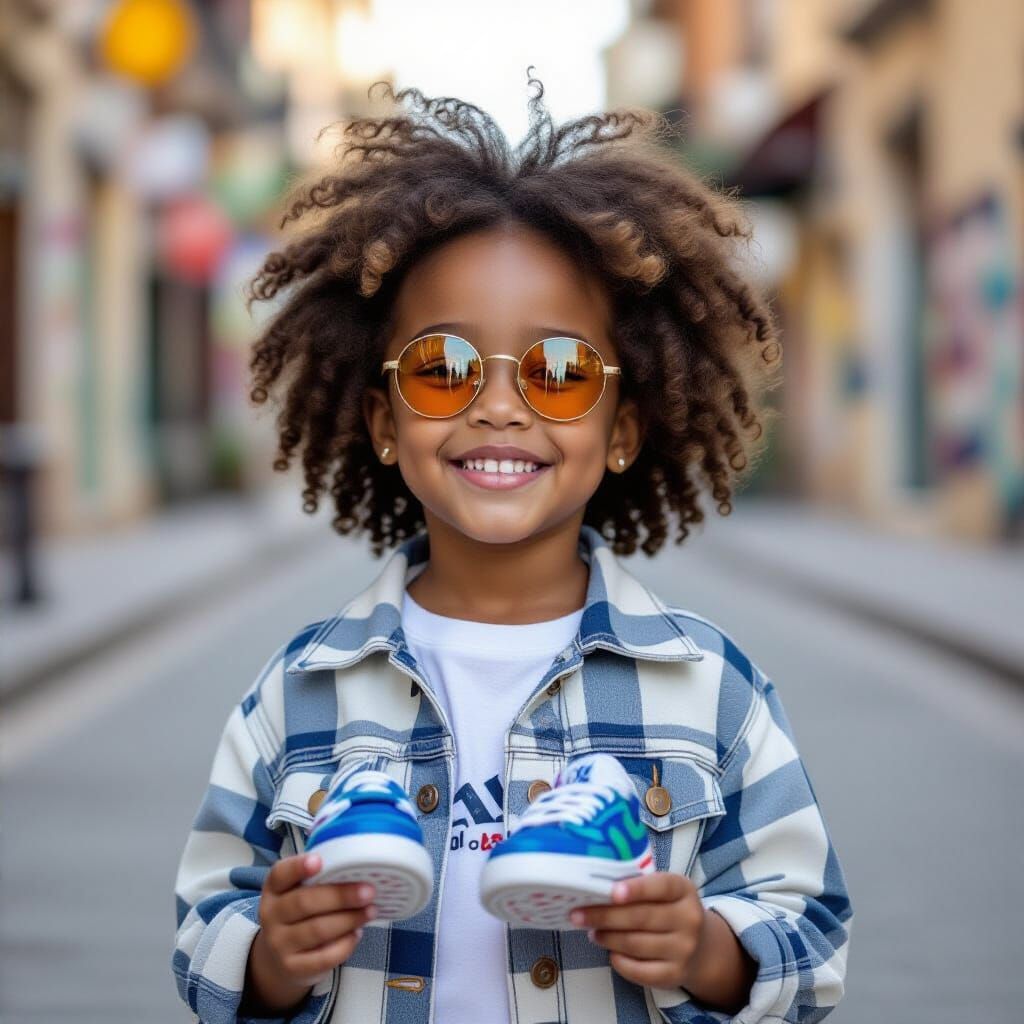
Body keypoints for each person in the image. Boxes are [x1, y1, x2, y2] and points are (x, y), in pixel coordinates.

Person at [170, 75, 853, 1024]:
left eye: (561, 370)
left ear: (622, 428)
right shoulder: (297, 694)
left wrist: (707, 950)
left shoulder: (713, 690)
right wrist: (270, 962)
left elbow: (811, 943)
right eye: (443, 368)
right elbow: (208, 921)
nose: (499, 404)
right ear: (382, 419)